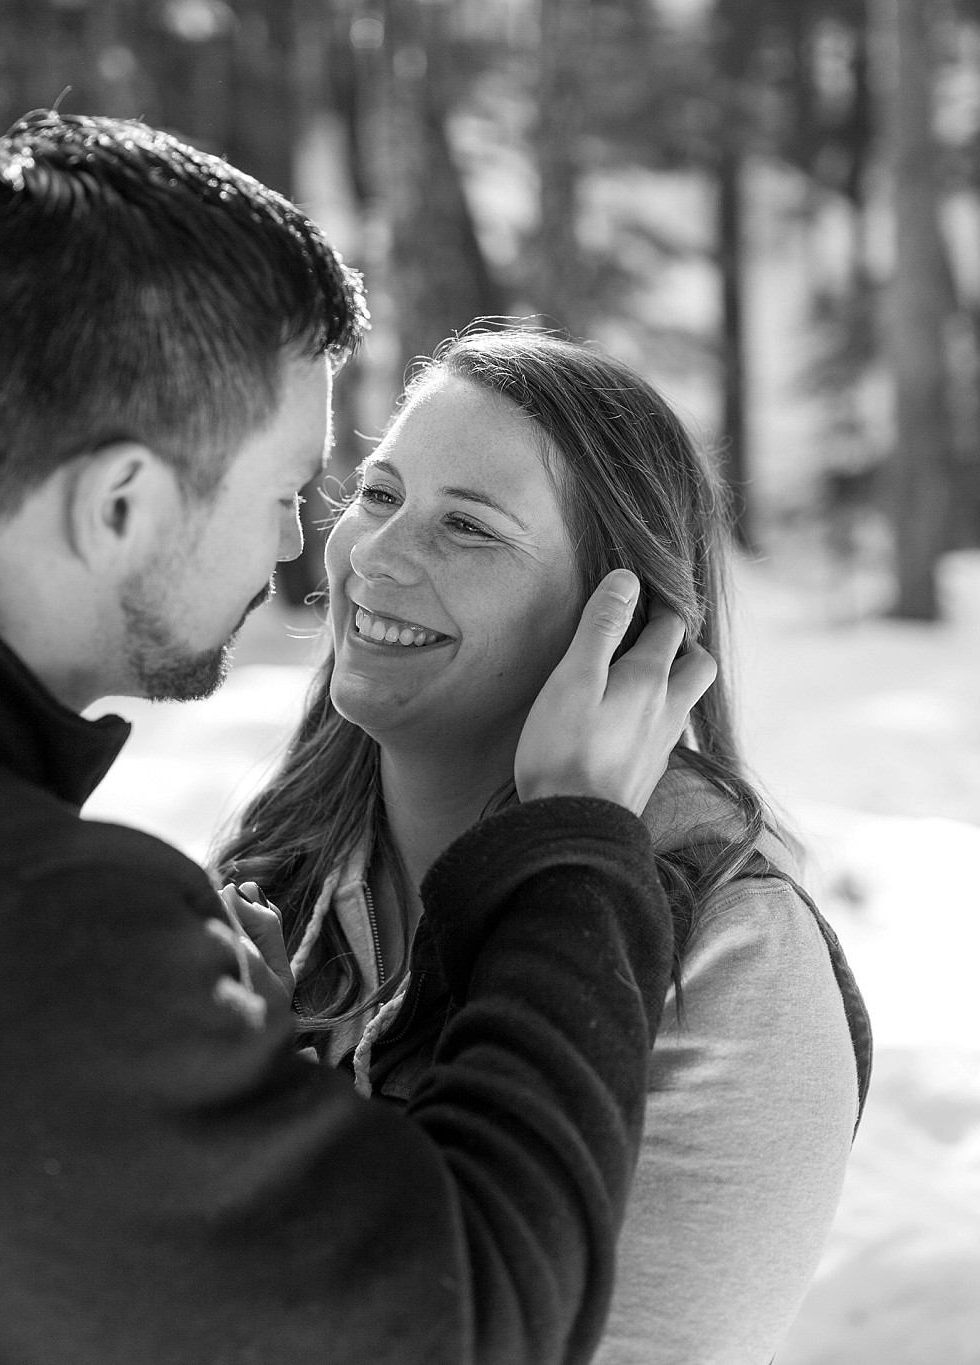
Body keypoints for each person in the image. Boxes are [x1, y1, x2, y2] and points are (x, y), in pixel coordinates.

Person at [0, 114, 717, 1365]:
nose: (305, 548)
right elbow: (479, 1324)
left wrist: (201, 1086)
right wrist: (573, 850)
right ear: (120, 502)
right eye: (288, 491)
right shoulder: (12, 931)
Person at [218, 331, 873, 1365]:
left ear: (619, 629)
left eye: (468, 529)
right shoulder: (283, 866)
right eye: (379, 494)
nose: (375, 556)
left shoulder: (732, 953)